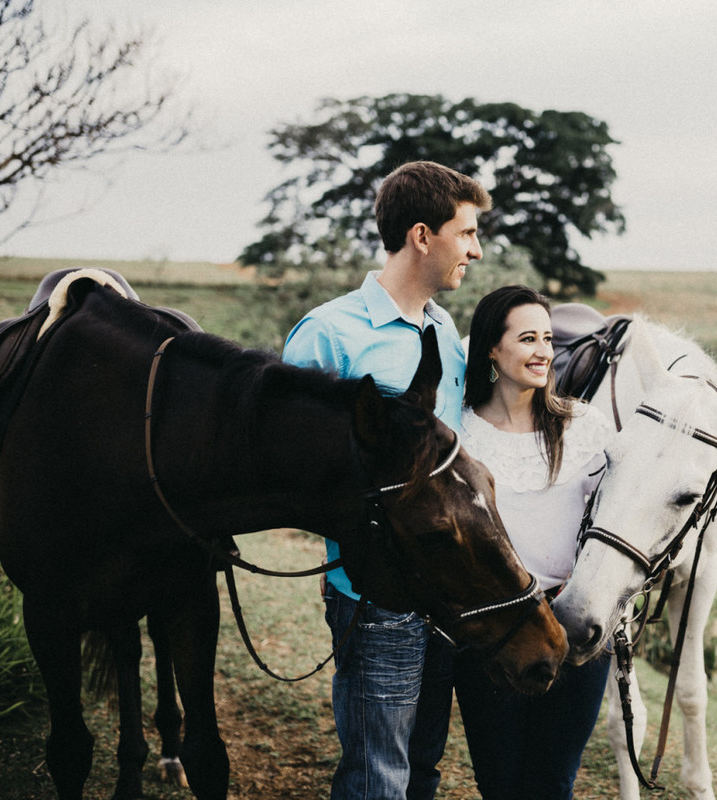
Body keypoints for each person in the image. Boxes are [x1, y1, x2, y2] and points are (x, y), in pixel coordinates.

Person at [281, 160, 491, 800]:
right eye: (467, 234)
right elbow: (290, 470)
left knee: (419, 764)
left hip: (448, 590)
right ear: (422, 236)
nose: (476, 251)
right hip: (376, 594)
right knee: (378, 773)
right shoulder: (327, 336)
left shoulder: (444, 332)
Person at [453, 285, 614, 799]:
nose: (544, 350)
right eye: (527, 338)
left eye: (547, 337)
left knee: (553, 781)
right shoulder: (459, 433)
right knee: (500, 783)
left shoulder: (583, 426)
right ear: (491, 351)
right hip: (495, 633)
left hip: (572, 629)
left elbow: (610, 522)